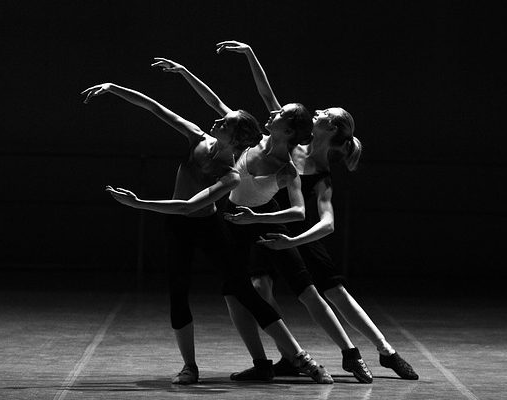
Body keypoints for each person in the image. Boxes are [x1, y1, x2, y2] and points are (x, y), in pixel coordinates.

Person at [81, 62, 333, 385]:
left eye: (224, 123)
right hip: (179, 228)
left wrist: (137, 203)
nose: (216, 120)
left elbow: (189, 206)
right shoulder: (197, 137)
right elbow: (156, 108)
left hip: (207, 226)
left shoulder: (230, 176)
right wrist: (113, 88)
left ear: (234, 137)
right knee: (178, 291)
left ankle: (301, 358)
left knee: (243, 290)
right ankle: (190, 366)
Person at [216, 39, 419, 381]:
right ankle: (286, 355)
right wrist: (251, 54)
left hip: (301, 233)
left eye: (325, 114)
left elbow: (326, 224)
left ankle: (385, 351)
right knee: (260, 285)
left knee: (332, 291)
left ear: (333, 129)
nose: (318, 112)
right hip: (271, 224)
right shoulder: (292, 145)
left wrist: (294, 241)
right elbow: (268, 97)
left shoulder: (322, 176)